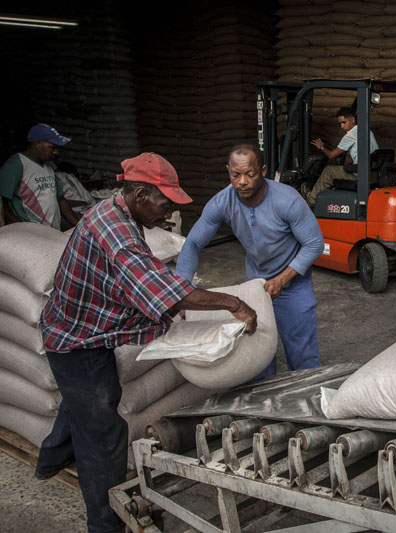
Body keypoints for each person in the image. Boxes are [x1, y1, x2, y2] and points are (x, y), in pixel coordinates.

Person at [37, 152, 257, 533]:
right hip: (76, 340)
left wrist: (173, 299)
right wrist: (234, 303)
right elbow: (159, 287)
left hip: (83, 328)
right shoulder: (118, 233)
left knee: (84, 400)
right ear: (139, 193)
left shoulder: (118, 211)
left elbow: (143, 281)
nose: (168, 212)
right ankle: (105, 524)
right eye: (164, 202)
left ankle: (50, 459)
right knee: (104, 433)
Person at [176, 143, 324, 378]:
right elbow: (192, 244)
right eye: (236, 175)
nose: (242, 181)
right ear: (228, 171)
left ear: (263, 170)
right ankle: (263, 405)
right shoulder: (222, 202)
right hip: (255, 284)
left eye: (250, 174)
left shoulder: (288, 201)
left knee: (302, 354)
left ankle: (308, 402)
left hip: (294, 284)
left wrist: (282, 279)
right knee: (257, 354)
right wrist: (182, 291)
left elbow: (315, 244)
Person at [0, 123, 80, 228]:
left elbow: (60, 199)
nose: (56, 152)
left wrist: (78, 225)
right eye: (52, 147)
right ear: (37, 144)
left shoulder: (48, 166)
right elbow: (2, 204)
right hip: (31, 234)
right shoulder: (16, 164)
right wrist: (22, 227)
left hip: (52, 231)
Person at [306, 106, 378, 207]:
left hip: (358, 174)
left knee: (329, 170)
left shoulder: (351, 135)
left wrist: (322, 147)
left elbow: (331, 155)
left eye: (344, 122)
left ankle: (311, 200)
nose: (342, 126)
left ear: (352, 120)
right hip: (370, 172)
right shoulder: (367, 131)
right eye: (340, 123)